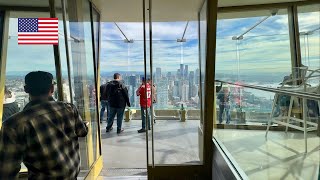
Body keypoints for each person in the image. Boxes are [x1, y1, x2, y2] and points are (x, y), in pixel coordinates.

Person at [0, 71, 89, 179]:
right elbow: (82, 132)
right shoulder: (69, 109)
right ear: (52, 89)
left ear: (26, 89)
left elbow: (7, 171)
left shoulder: (13, 125)